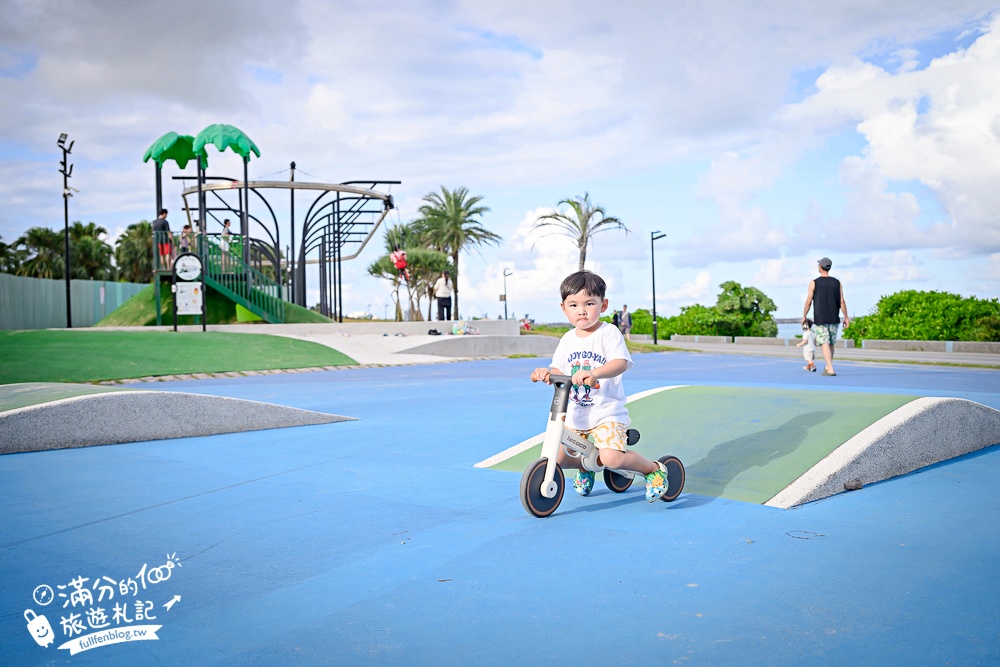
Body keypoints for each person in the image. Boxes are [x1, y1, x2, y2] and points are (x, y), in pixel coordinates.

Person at [530, 270, 670, 502]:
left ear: (603, 305)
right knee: (558, 458)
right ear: (564, 308)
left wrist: (594, 373)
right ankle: (586, 465)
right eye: (573, 305)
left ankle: (654, 469)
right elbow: (559, 369)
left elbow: (620, 362)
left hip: (606, 412)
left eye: (589, 303)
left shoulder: (608, 333)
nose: (581, 310)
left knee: (612, 459)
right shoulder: (567, 339)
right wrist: (546, 373)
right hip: (576, 412)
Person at [802, 257, 849, 376]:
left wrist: (804, 316)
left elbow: (808, 301)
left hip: (820, 318)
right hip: (834, 317)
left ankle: (830, 368)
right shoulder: (837, 283)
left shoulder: (814, 283)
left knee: (824, 342)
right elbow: (842, 301)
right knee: (831, 343)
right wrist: (846, 317)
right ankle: (828, 366)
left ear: (820, 267)